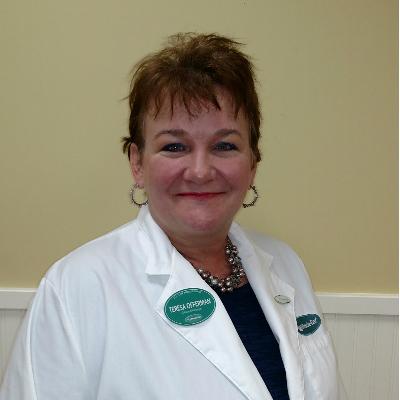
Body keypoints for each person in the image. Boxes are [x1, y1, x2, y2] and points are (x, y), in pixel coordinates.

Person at [0, 33, 344, 400]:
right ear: (137, 163)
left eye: (225, 145)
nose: (200, 171)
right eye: (175, 146)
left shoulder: (286, 264)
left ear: (253, 165)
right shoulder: (75, 288)